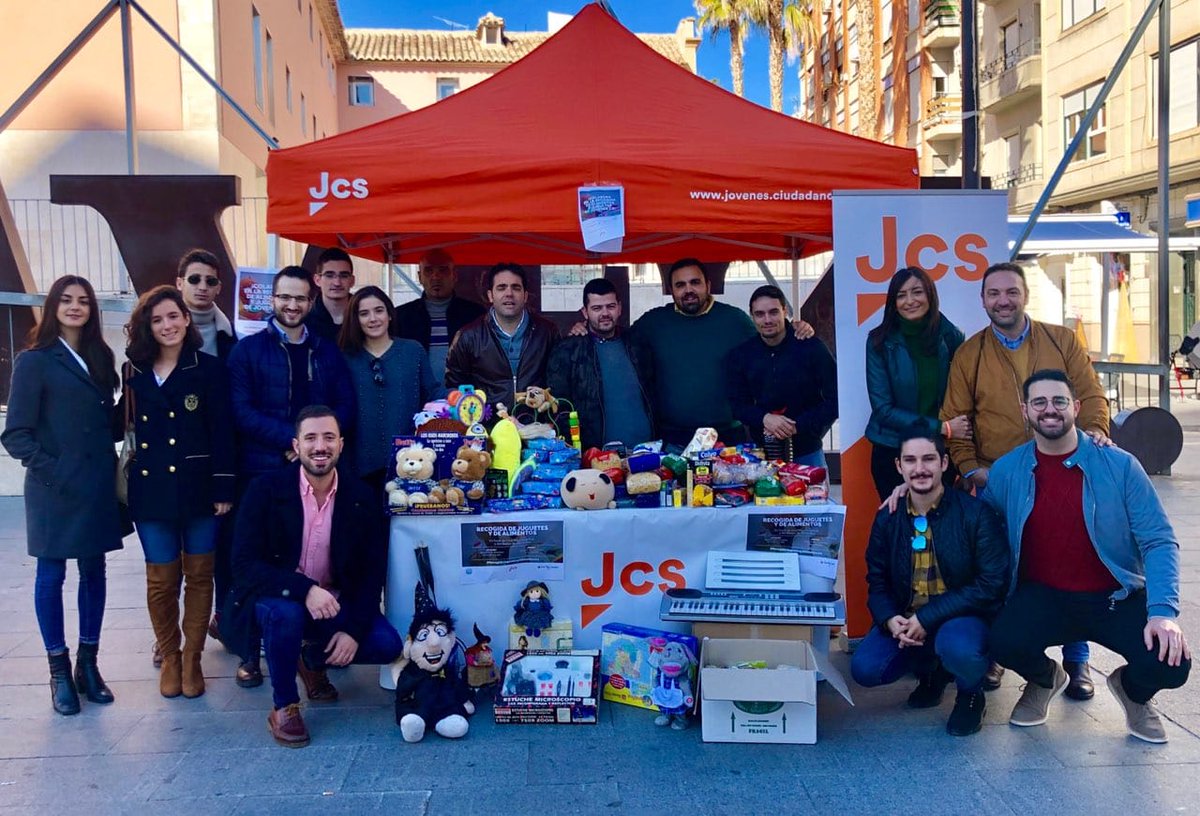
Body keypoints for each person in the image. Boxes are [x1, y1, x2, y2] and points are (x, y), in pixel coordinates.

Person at [986, 369, 1190, 743]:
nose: (1050, 410)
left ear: (1076, 407)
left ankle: (1132, 691)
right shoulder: (1007, 470)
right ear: (1025, 411)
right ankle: (1045, 678)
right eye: (1040, 402)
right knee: (999, 639)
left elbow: (1159, 540)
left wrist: (1163, 613)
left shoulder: (1120, 465)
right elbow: (981, 533)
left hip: (1113, 597)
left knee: (1171, 662)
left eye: (1060, 401)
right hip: (1043, 596)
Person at [940, 261, 1109, 697]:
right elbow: (955, 422)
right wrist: (971, 469)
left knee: (1072, 560)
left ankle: (1078, 661)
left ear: (1025, 295)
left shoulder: (1062, 339)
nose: (1003, 300)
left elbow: (1089, 395)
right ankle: (999, 653)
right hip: (998, 481)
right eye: (993, 294)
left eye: (1011, 291)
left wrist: (1094, 434)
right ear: (983, 301)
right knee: (1001, 568)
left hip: (1065, 469)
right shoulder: (969, 354)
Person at [222, 406, 404, 748]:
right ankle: (285, 706)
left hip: (334, 605)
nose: (320, 446)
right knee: (285, 613)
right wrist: (304, 590)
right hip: (279, 598)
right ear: (296, 445)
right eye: (311, 438)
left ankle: (310, 659)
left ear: (341, 444)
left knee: (386, 644)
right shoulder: (265, 489)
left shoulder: (360, 496)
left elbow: (371, 573)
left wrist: (352, 631)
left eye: (328, 438)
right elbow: (244, 565)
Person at [226, 265, 355, 687]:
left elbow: (345, 405)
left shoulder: (326, 351)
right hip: (264, 470)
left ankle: (308, 653)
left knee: (313, 555)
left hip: (318, 468)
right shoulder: (247, 351)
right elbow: (241, 411)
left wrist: (317, 446)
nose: (293, 305)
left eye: (300, 298)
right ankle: (249, 652)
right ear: (273, 300)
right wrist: (291, 441)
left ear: (310, 301)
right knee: (255, 562)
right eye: (285, 297)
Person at [2, 275, 122, 716]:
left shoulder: (98, 356)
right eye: (67, 300)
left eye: (83, 301)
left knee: (95, 572)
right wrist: (54, 471)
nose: (75, 307)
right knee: (51, 576)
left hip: (94, 486)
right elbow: (15, 433)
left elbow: (104, 423)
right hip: (54, 490)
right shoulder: (35, 361)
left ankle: (88, 665)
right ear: (53, 306)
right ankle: (58, 670)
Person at [851, 428, 1008, 736]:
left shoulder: (975, 514)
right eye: (910, 460)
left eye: (928, 459)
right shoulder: (888, 515)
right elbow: (877, 579)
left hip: (961, 616)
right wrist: (888, 619)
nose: (919, 468)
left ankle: (969, 693)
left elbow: (991, 583)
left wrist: (928, 617)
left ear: (944, 463)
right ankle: (932, 672)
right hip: (909, 617)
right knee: (865, 669)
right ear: (898, 467)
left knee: (958, 647)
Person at [120, 286, 235, 699]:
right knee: (161, 579)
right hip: (151, 490)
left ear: (187, 320)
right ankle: (169, 655)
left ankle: (193, 658)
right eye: (157, 320)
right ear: (147, 328)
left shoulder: (208, 369)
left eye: (173, 316)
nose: (167, 325)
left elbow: (223, 432)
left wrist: (224, 486)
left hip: (200, 488)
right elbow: (120, 424)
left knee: (200, 576)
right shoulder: (134, 371)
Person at [629, 258, 759, 448]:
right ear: (670, 290)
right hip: (672, 438)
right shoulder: (653, 322)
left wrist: (795, 330)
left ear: (708, 285)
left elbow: (770, 345)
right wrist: (583, 329)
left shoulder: (735, 320)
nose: (688, 290)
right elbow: (616, 339)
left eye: (695, 282)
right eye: (680, 285)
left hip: (726, 438)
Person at [865, 267, 969, 499]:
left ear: (930, 295)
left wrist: (967, 459)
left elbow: (964, 398)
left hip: (940, 450)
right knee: (899, 526)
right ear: (893, 302)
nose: (910, 301)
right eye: (901, 295)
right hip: (893, 448)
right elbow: (883, 410)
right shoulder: (879, 341)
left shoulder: (951, 336)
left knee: (941, 527)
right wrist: (941, 427)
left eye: (917, 292)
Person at [340, 286, 444, 493]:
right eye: (364, 313)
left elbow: (433, 393)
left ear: (389, 314)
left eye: (379, 310)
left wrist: (460, 401)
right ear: (355, 319)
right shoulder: (345, 357)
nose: (373, 318)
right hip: (358, 463)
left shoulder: (412, 351)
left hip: (408, 461)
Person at [727, 285, 838, 466]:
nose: (767, 319)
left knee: (816, 496)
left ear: (784, 310)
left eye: (773, 312)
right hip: (760, 455)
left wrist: (797, 425)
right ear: (752, 316)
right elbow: (736, 404)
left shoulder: (811, 347)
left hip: (808, 452)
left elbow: (836, 399)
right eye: (760, 314)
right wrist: (764, 419)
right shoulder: (742, 355)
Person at [545, 278, 654, 450]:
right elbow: (559, 406)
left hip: (645, 451)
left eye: (610, 306)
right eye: (597, 308)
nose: (605, 313)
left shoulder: (638, 343)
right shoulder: (567, 350)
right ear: (585, 312)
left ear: (619, 308)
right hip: (594, 456)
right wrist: (575, 451)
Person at [445, 262, 558, 409]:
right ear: (490, 295)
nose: (509, 293)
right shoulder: (468, 336)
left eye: (516, 287)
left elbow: (559, 383)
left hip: (537, 425)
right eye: (501, 287)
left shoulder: (547, 332)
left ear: (525, 296)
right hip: (487, 426)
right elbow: (454, 388)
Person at [392, 249, 485, 383]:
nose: (436, 277)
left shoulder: (475, 315)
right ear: (419, 277)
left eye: (443, 270)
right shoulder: (401, 316)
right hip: (417, 396)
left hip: (464, 397)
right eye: (428, 270)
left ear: (455, 275)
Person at [176, 248, 236, 361]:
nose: (203, 287)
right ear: (179, 283)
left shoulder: (234, 334)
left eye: (211, 281)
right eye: (194, 279)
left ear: (218, 288)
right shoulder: (163, 329)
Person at [305, 247, 356, 342]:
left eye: (344, 276)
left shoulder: (364, 316)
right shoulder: (305, 322)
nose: (337, 282)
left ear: (352, 281)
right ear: (317, 280)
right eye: (329, 275)